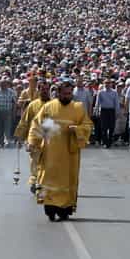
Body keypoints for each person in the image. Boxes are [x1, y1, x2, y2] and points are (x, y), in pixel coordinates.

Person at [28, 79, 93, 221]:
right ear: (58, 93)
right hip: (51, 151)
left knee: (67, 180)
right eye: (64, 93)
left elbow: (87, 125)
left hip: (70, 154)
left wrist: (77, 129)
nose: (67, 96)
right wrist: (33, 142)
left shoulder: (78, 108)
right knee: (49, 178)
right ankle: (50, 208)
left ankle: (65, 209)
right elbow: (38, 125)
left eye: (69, 93)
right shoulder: (49, 107)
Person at [15, 81, 51, 194]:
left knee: (48, 162)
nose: (45, 91)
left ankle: (44, 182)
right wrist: (20, 136)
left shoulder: (54, 104)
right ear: (38, 90)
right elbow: (25, 121)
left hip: (50, 139)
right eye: (42, 89)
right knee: (34, 161)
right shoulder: (32, 105)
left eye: (46, 89)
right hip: (34, 138)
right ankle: (34, 181)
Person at [0, 79, 18, 147]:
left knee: (7, 127)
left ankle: (7, 141)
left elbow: (14, 102)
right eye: (2, 84)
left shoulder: (11, 92)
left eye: (5, 84)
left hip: (8, 111)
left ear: (7, 85)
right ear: (0, 84)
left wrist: (14, 111)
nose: (3, 85)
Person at [93, 78, 120, 149]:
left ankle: (110, 142)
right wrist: (96, 111)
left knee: (111, 127)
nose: (107, 84)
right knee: (104, 128)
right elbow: (97, 103)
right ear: (104, 84)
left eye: (109, 83)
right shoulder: (100, 92)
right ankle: (105, 142)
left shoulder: (114, 92)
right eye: (106, 83)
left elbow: (116, 103)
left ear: (111, 84)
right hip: (103, 111)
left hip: (111, 111)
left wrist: (117, 112)